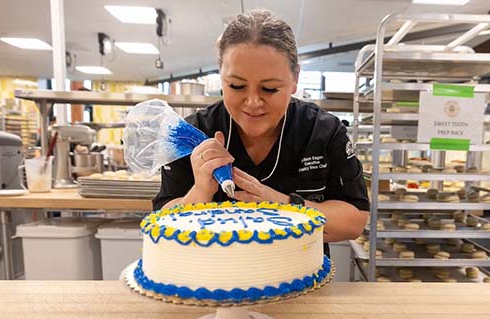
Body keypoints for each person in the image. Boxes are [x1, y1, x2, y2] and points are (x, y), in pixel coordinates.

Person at [153, 10, 369, 248]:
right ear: (221, 76)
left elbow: (354, 221)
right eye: (236, 86)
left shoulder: (322, 131)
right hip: (212, 281)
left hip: (302, 278)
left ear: (295, 78)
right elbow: (161, 227)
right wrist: (201, 190)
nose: (253, 102)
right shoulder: (193, 133)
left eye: (270, 89)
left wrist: (282, 205)